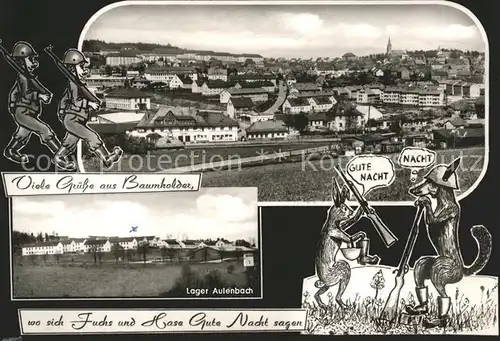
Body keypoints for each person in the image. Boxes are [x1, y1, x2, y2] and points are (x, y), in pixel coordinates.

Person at [5, 41, 75, 170]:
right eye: (31, 59)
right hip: (23, 112)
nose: (34, 63)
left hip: (28, 112)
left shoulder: (28, 77)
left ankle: (10, 151)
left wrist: (43, 94)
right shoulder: (23, 77)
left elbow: (17, 94)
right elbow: (26, 94)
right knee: (44, 129)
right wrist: (40, 96)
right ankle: (59, 158)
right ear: (21, 61)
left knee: (23, 134)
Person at [54, 48, 122, 170]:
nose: (85, 70)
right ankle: (106, 159)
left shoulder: (77, 84)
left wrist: (61, 111)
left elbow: (64, 100)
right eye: (82, 67)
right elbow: (76, 101)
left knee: (71, 141)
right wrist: (89, 104)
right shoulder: (74, 84)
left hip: (76, 119)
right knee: (92, 136)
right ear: (72, 68)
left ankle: (59, 157)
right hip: (73, 119)